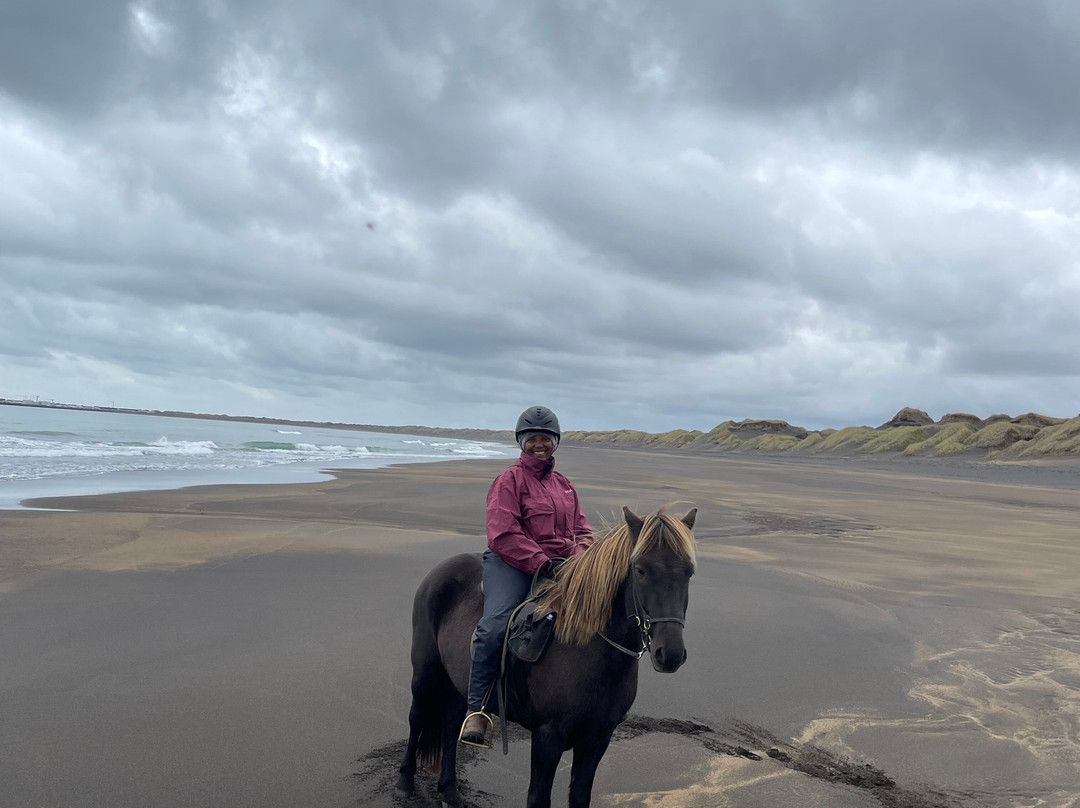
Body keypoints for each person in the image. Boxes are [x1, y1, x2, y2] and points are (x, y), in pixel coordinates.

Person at [459, 405, 593, 748]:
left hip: (562, 565)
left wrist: (577, 560)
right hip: (513, 563)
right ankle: (479, 710)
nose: (538, 444)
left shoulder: (565, 485)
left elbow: (581, 529)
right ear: (521, 442)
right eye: (531, 438)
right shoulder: (509, 479)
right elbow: (503, 532)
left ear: (555, 443)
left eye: (545, 439)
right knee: (496, 626)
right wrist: (541, 562)